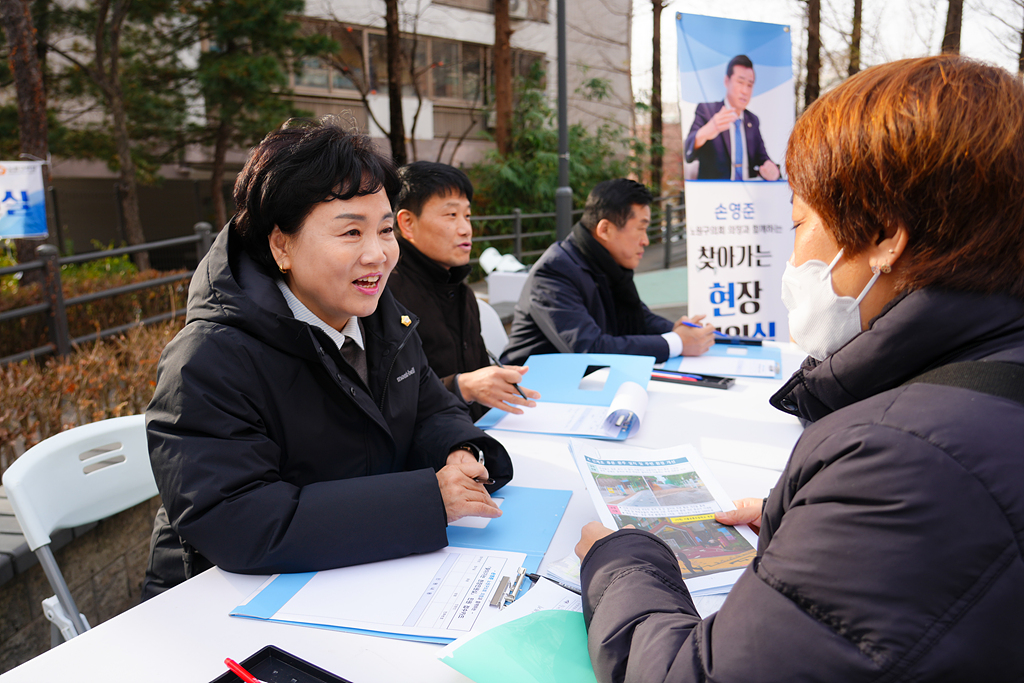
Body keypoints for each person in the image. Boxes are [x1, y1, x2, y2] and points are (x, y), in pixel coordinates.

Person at [575, 55, 1024, 682]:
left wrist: (623, 560)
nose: (792, 253)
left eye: (801, 222)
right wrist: (811, 519)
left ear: (887, 238)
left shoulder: (909, 463)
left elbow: (691, 674)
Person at [141, 119, 513, 600]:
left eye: (384, 229)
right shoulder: (209, 357)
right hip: (226, 604)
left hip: (352, 574)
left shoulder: (382, 318)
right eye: (351, 232)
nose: (377, 255)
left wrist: (459, 450)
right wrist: (425, 502)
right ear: (281, 245)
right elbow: (239, 520)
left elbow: (429, 407)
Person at [501, 179, 715, 366]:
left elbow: (640, 317)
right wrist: (676, 342)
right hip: (532, 393)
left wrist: (677, 330)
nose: (646, 241)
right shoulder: (553, 272)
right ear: (604, 229)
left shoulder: (606, 263)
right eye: (640, 228)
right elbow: (589, 348)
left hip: (585, 384)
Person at [388, 161, 539, 421]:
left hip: (476, 433)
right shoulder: (386, 295)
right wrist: (463, 386)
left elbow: (477, 373)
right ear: (408, 223)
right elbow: (388, 397)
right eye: (451, 215)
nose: (465, 228)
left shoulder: (462, 292)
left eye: (467, 215)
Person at [684, 55, 780, 181]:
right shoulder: (707, 111)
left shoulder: (753, 120)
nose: (745, 91)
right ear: (726, 81)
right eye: (740, 82)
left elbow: (763, 159)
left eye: (749, 85)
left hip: (747, 197)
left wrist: (773, 171)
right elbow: (688, 152)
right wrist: (706, 131)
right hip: (715, 195)